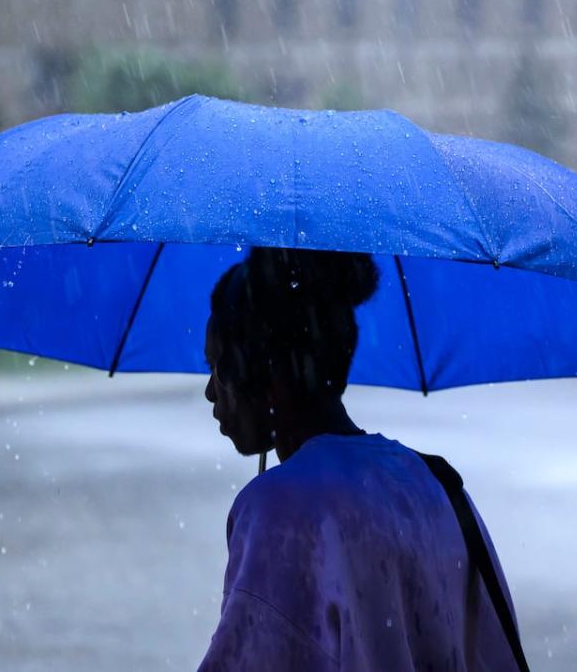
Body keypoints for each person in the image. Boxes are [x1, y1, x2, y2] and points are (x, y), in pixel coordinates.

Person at [198, 247, 521, 671]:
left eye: (220, 367)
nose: (209, 391)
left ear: (269, 372)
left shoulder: (280, 509)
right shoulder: (439, 485)